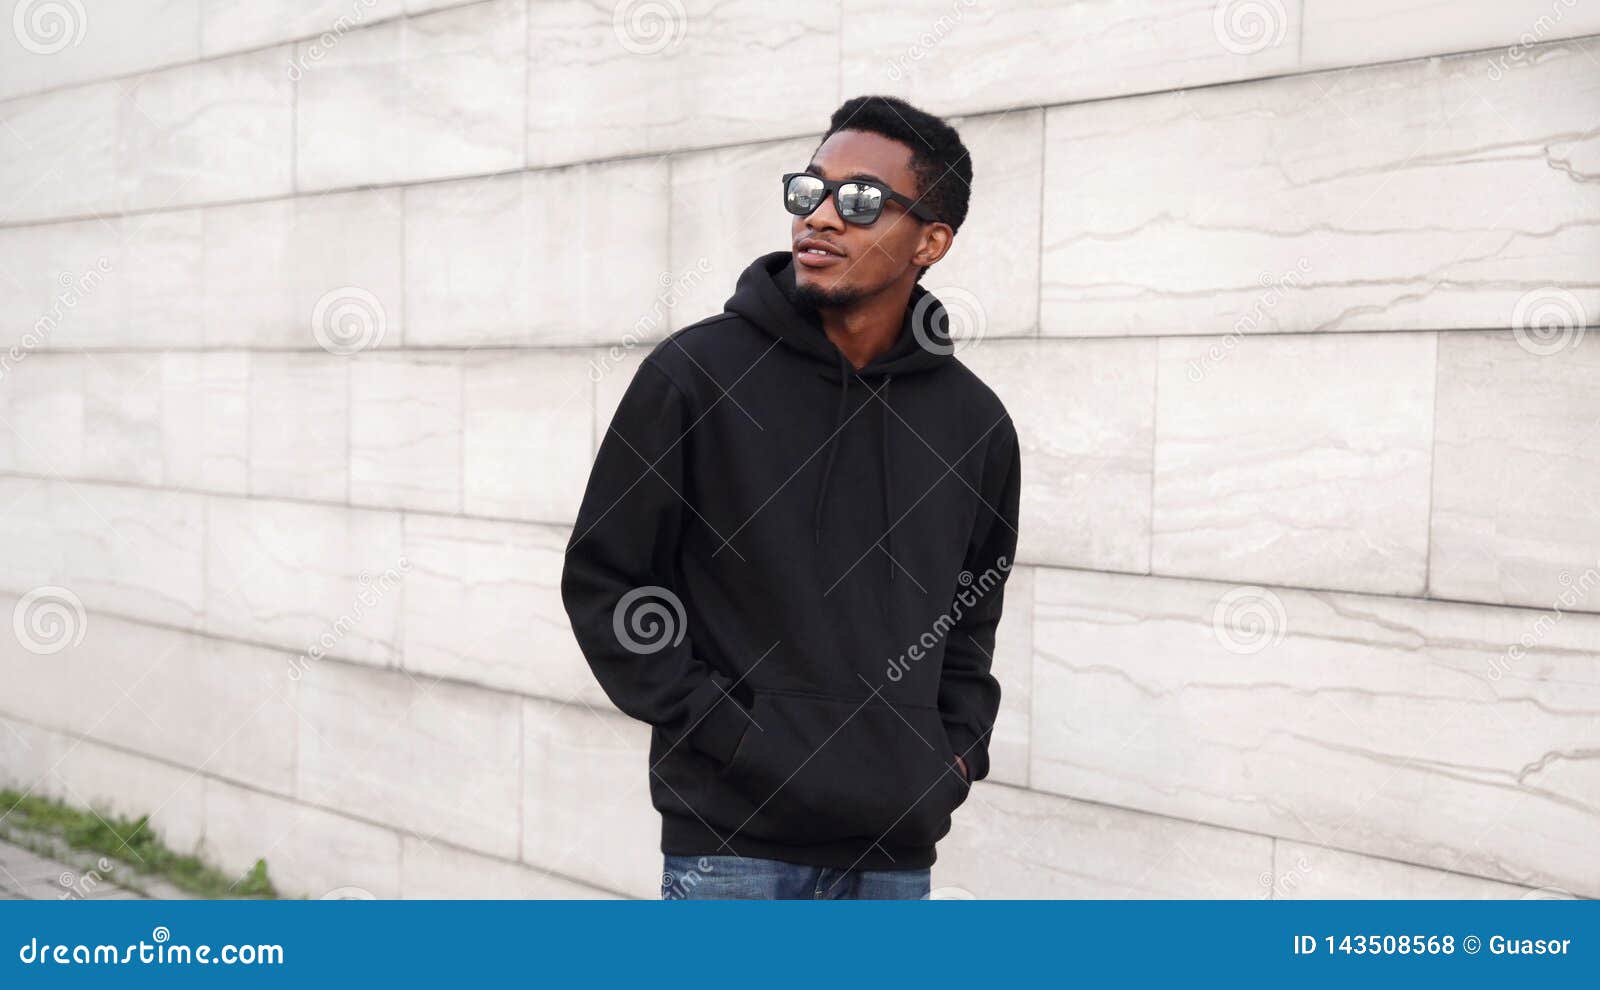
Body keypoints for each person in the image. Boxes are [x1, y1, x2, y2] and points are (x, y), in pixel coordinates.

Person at [561, 94, 1021, 900]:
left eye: (863, 201)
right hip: (732, 844)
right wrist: (729, 736)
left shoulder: (974, 425)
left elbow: (971, 613)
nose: (823, 218)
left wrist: (949, 757)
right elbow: (609, 581)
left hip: (892, 852)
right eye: (810, 192)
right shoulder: (695, 377)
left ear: (933, 241)